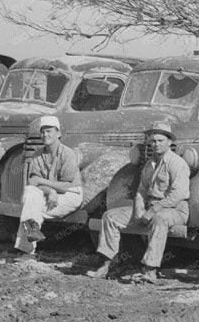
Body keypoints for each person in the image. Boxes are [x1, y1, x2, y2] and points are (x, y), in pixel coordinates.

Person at [89, 120, 189, 283]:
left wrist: (153, 210)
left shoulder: (177, 163)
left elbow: (177, 194)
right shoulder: (150, 164)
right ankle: (108, 263)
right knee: (110, 216)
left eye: (160, 140)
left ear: (169, 142)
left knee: (159, 220)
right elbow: (141, 191)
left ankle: (150, 270)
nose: (156, 144)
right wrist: (138, 210)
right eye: (153, 140)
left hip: (175, 210)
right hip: (149, 207)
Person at [15, 114, 82, 259]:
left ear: (58, 133)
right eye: (43, 131)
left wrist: (43, 184)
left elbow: (65, 186)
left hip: (70, 195)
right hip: (49, 194)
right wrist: (50, 190)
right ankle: (34, 230)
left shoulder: (68, 154)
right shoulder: (38, 154)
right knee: (29, 193)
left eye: (49, 131)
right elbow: (33, 182)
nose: (45, 135)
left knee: (30, 205)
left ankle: (26, 251)